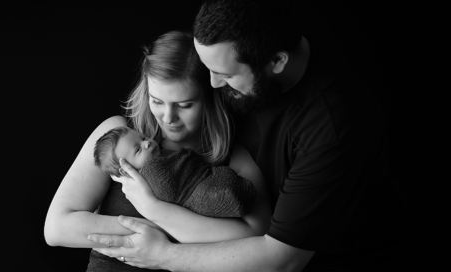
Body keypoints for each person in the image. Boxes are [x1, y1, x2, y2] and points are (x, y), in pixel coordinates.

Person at [87, 0, 407, 271]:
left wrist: (162, 253)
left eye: (224, 75)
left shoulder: (333, 126)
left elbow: (283, 257)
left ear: (277, 62)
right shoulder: (244, 51)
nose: (211, 85)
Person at [44, 30, 272, 272]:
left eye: (184, 105)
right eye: (157, 101)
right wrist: (156, 230)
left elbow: (259, 238)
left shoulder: (231, 156)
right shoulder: (118, 136)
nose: (168, 117)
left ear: (210, 97)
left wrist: (155, 209)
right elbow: (58, 228)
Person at [94, 125, 257, 218]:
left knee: (226, 186)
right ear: (127, 170)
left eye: (143, 138)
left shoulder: (160, 155)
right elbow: (168, 190)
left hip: (206, 179)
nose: (147, 144)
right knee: (222, 195)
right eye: (137, 150)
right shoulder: (148, 176)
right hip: (197, 195)